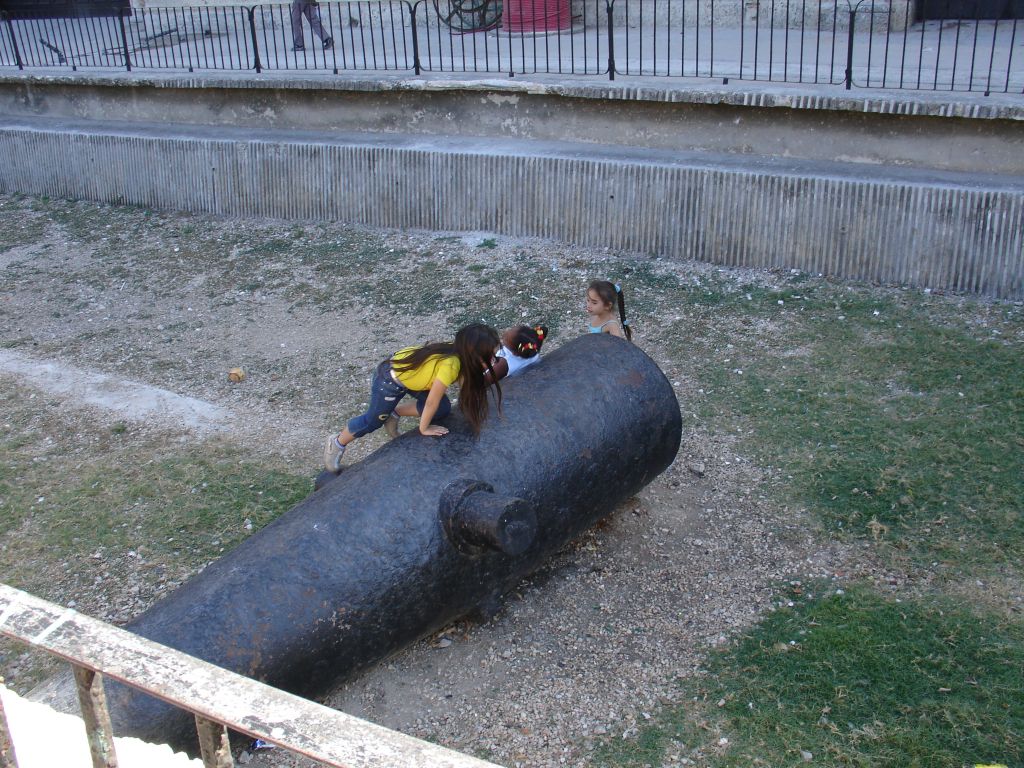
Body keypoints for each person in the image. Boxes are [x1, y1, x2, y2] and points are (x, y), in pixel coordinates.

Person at [324, 324, 501, 473]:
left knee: (443, 408)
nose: (494, 360)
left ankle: (394, 413)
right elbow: (431, 401)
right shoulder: (451, 365)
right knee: (373, 421)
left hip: (413, 377)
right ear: (473, 355)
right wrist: (424, 428)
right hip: (390, 379)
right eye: (490, 357)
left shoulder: (460, 352)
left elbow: (462, 387)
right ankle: (337, 443)